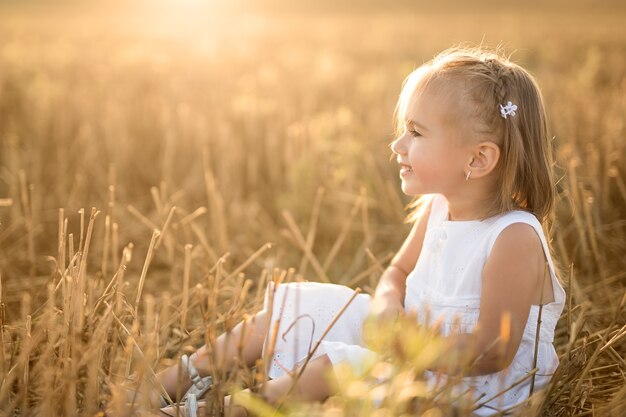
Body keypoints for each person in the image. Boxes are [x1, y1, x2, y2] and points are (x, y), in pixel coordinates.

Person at [118, 46, 566, 416]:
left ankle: (217, 411)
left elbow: (493, 353)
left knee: (340, 364)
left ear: (478, 160)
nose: (397, 145)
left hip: (476, 395)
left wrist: (400, 347)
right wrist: (388, 309)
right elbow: (397, 272)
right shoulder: (437, 208)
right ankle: (163, 385)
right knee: (299, 305)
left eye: (415, 132)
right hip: (412, 344)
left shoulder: (512, 237)